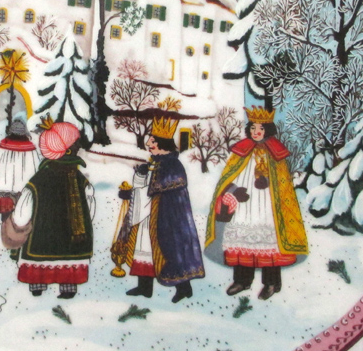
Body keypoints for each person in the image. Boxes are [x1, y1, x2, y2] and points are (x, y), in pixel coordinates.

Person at [205, 107, 308, 300]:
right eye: (253, 128)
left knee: (269, 242)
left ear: (267, 130)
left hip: (268, 205)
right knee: (242, 241)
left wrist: (269, 185)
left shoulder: (275, 153)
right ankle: (242, 280)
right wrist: (234, 191)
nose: (256, 132)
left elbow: (282, 183)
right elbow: (229, 177)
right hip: (244, 205)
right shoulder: (241, 151)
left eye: (260, 128)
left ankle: (271, 283)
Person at [2, 117, 94, 299]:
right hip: (74, 244)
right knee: (69, 266)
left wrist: (17, 223)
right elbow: (90, 209)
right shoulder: (81, 181)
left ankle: (37, 286)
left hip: (41, 242)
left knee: (38, 263)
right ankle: (68, 287)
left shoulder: (38, 181)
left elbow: (23, 213)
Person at [125, 97, 205, 303]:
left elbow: (174, 182)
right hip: (149, 215)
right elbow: (145, 187)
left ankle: (184, 288)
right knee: (145, 248)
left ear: (162, 143)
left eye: (152, 141)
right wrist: (140, 177)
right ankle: (144, 287)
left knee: (172, 250)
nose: (148, 144)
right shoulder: (154, 163)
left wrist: (154, 183)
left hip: (169, 219)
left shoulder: (172, 164)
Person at [0, 118, 39, 221]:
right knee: (23, 217)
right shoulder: (31, 148)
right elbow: (36, 168)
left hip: (5, 189)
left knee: (6, 218)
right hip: (23, 189)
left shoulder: (3, 146)